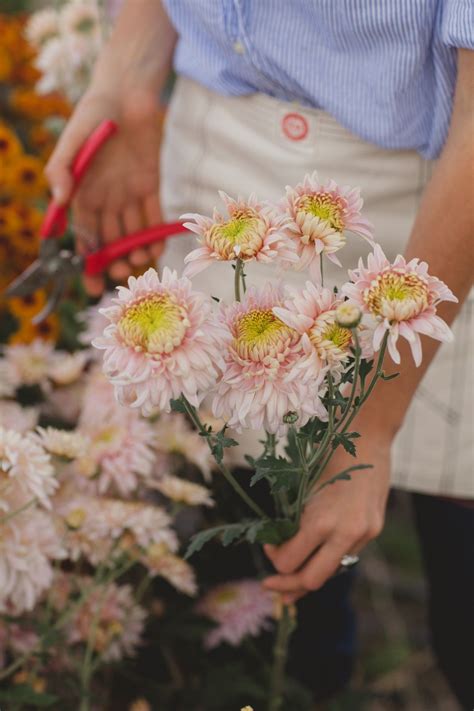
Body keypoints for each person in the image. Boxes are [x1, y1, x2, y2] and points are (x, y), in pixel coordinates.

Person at [45, 1, 474, 706]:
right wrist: (127, 75)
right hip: (221, 158)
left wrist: (365, 420)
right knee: (269, 620)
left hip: (444, 212)